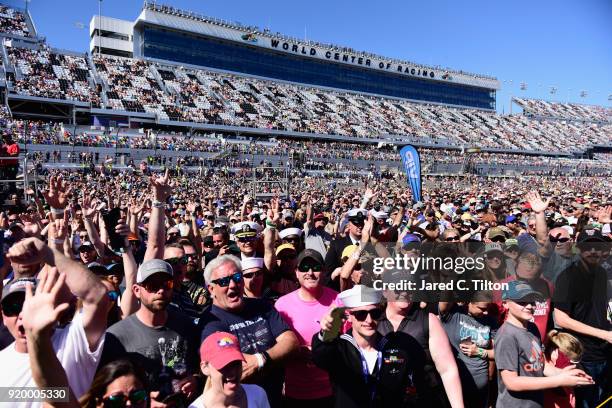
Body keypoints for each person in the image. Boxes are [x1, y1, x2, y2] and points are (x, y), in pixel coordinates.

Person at [0, 237, 109, 403]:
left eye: (32, 304)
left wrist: (47, 253)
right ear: (3, 316)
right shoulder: (2, 362)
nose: (24, 313)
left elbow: (97, 296)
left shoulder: (73, 342)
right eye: (13, 308)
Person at [313, 285, 445, 408]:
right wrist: (328, 333)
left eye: (375, 313)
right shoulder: (340, 348)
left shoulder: (395, 347)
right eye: (361, 315)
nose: (369, 320)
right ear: (349, 316)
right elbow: (320, 356)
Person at [200, 255, 299, 408]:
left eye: (237, 277)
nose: (233, 285)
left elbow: (291, 342)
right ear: (211, 289)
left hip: (276, 399)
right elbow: (233, 366)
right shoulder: (210, 322)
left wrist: (260, 360)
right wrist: (275, 354)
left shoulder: (262, 306)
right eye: (224, 281)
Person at [100, 259, 200, 407]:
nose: (160, 291)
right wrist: (141, 401)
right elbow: (105, 390)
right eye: (152, 285)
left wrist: (196, 379)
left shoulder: (185, 324)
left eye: (167, 285)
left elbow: (200, 366)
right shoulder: (116, 337)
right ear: (136, 290)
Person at [495, 280, 593, 408]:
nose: (530, 306)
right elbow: (512, 382)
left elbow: (542, 365)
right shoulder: (506, 335)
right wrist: (559, 380)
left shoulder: (532, 328)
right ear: (505, 303)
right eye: (522, 302)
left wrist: (563, 374)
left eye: (532, 301)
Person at [552, 228, 612, 408]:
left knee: (604, 401)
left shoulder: (602, 273)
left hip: (605, 352)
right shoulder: (567, 277)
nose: (593, 251)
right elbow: (561, 319)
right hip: (583, 355)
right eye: (588, 246)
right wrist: (604, 334)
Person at [275, 249, 338, 408]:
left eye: (315, 267)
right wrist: (294, 351)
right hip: (295, 392)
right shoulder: (282, 304)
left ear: (323, 271)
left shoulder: (339, 301)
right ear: (296, 272)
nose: (310, 272)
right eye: (304, 267)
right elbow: (275, 346)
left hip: (331, 390)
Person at [439, 298, 497, 408]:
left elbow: (498, 353)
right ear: (469, 301)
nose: (486, 312)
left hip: (481, 388)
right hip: (455, 387)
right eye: (482, 308)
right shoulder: (454, 314)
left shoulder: (491, 321)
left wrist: (479, 351)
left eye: (488, 308)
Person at [190, 331, 270, 408]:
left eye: (236, 363)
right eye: (224, 365)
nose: (232, 373)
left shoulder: (257, 394)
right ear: (205, 368)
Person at [324, 209, 367, 291]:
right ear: (349, 225)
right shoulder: (336, 244)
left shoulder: (371, 244)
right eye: (356, 223)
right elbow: (327, 275)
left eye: (362, 223)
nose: (360, 226)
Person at [543, 330, 585, 408]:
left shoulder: (559, 360)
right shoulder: (551, 364)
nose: (574, 365)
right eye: (572, 362)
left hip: (568, 397)